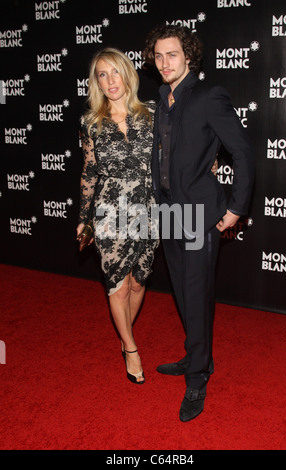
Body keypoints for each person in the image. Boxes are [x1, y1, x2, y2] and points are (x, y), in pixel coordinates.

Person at [143, 25, 254, 421]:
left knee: (197, 294)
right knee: (183, 293)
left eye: (172, 54)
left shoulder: (209, 96)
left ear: (188, 56)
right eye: (158, 56)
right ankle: (197, 357)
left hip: (201, 213)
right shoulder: (162, 99)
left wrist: (236, 209)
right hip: (169, 212)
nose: (165, 62)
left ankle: (197, 379)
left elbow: (241, 153)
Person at [77, 48, 159, 385]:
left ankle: (126, 334)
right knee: (118, 286)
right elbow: (89, 171)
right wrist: (83, 218)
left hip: (150, 208)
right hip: (110, 209)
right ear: (96, 82)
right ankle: (130, 347)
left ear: (128, 73)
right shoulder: (90, 122)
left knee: (139, 281)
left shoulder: (153, 113)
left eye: (115, 72)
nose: (110, 80)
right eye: (102, 74)